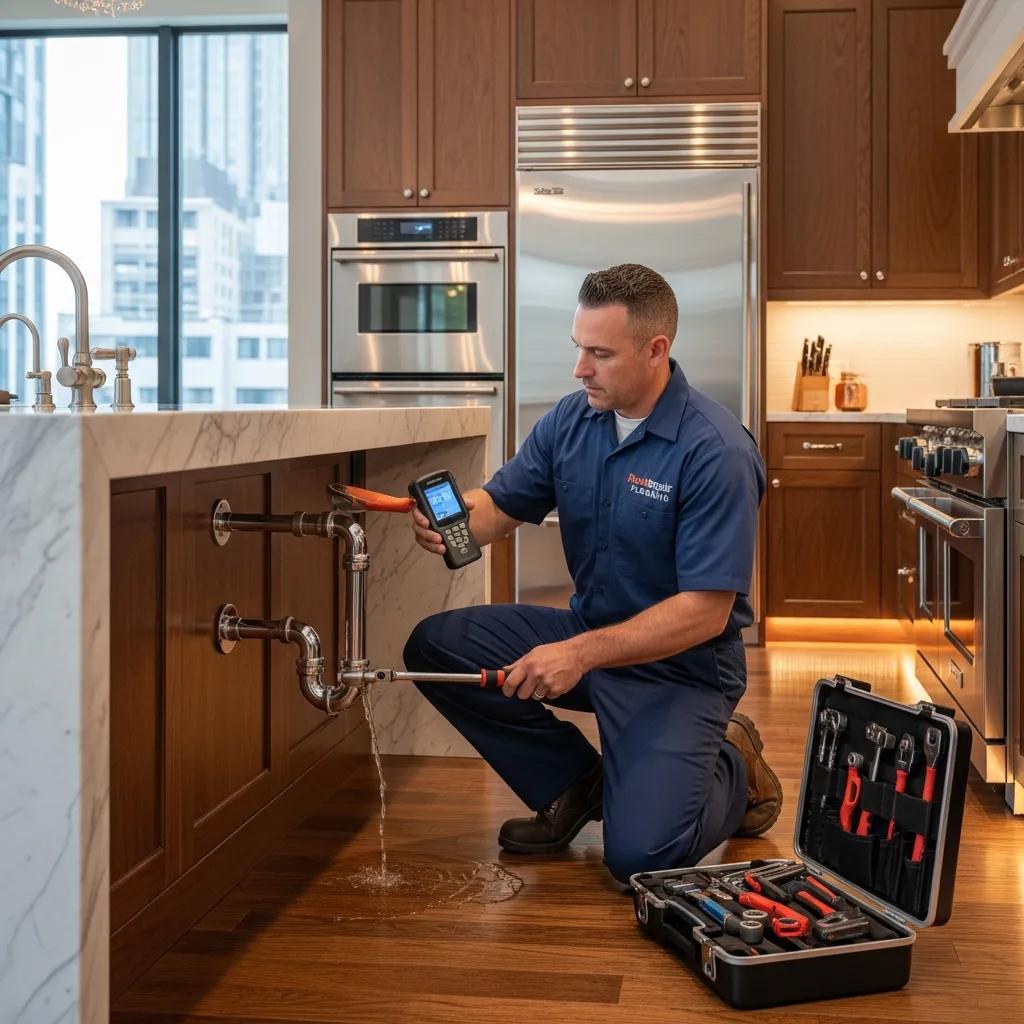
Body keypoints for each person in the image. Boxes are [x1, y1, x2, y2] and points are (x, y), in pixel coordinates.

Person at [403, 263, 781, 885]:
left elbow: (705, 611)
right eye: (579, 348)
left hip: (680, 670)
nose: (581, 368)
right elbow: (504, 505)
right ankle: (574, 784)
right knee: (437, 647)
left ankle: (733, 766)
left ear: (656, 350)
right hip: (590, 634)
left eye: (600, 354)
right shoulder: (570, 420)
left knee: (640, 858)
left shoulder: (716, 451)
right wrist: (461, 519)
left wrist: (576, 655)